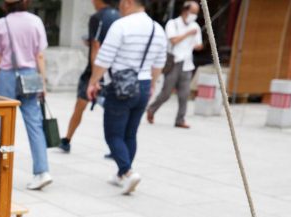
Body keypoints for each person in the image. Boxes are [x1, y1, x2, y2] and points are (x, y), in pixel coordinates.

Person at [87, 0, 167, 195]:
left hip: (120, 86)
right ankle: (122, 174)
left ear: (129, 2)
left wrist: (93, 82)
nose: (120, 5)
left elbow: (104, 58)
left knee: (113, 134)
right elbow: (159, 62)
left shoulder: (121, 26)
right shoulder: (157, 29)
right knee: (130, 133)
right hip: (144, 83)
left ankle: (128, 172)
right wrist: (152, 85)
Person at [0, 0, 52, 191]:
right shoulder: (35, 21)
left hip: (7, 76)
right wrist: (42, 81)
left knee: (3, 126)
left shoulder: (1, 24)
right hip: (30, 75)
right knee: (35, 124)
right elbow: (39, 55)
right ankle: (42, 172)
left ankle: (0, 171)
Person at [59, 0, 119, 153]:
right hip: (114, 69)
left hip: (96, 70)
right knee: (113, 110)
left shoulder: (97, 17)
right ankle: (117, 147)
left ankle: (67, 139)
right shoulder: (119, 16)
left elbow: (96, 47)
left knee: (80, 105)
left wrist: (94, 76)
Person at [146, 1, 203, 128]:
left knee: (184, 94)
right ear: (185, 10)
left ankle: (180, 119)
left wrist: (194, 44)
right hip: (174, 61)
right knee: (166, 92)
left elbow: (199, 45)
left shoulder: (196, 26)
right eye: (193, 12)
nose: (194, 15)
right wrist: (188, 34)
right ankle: (152, 109)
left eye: (196, 13)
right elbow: (174, 40)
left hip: (187, 63)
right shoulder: (173, 24)